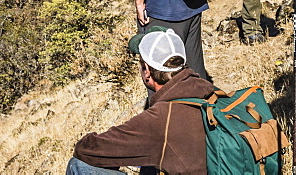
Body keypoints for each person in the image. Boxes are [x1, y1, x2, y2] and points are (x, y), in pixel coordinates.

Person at [68, 27, 213, 175]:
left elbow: (86, 150)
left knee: (78, 165)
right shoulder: (213, 94)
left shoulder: (161, 118)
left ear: (147, 71)